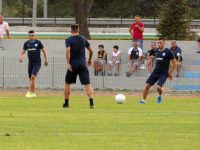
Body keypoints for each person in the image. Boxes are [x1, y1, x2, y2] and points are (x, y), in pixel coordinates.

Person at [63, 24, 94, 109]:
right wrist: (89, 60)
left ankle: (66, 104)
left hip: (73, 65)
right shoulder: (83, 39)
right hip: (82, 64)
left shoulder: (68, 40)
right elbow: (91, 51)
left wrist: (68, 63)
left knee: (67, 84)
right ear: (78, 30)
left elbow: (68, 50)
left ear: (71, 30)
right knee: (87, 84)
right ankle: (91, 103)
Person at [139, 37, 176, 104]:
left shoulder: (168, 52)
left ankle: (159, 95)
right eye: (158, 43)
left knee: (158, 87)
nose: (159, 44)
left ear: (164, 43)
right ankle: (143, 101)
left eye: (161, 43)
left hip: (163, 73)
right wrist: (146, 58)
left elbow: (174, 62)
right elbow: (153, 57)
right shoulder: (156, 50)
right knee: (147, 86)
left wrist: (170, 73)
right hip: (155, 72)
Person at [19, 30, 48, 97]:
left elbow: (44, 51)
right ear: (28, 36)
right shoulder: (26, 43)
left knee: (33, 77)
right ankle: (33, 93)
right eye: (30, 35)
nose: (31, 37)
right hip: (30, 63)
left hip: (37, 62)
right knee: (31, 79)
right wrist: (21, 57)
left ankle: (29, 92)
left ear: (35, 36)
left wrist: (46, 60)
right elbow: (23, 52)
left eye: (33, 35)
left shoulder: (38, 42)